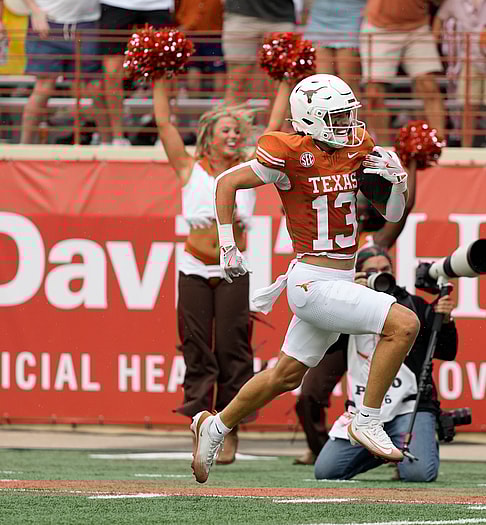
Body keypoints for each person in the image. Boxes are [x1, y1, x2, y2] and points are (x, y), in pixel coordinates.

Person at [190, 73, 421, 484]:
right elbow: (227, 183)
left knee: (285, 376)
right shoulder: (286, 151)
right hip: (311, 282)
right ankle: (366, 418)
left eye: (349, 115)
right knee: (404, 323)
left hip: (338, 281)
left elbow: (392, 214)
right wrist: (228, 244)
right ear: (309, 119)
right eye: (337, 116)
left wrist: (396, 180)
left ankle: (216, 426)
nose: (348, 124)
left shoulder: (358, 147)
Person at [153, 76, 291, 465]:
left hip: (233, 268)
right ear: (209, 136)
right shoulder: (188, 168)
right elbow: (164, 124)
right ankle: (200, 419)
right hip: (194, 266)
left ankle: (229, 427)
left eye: (237, 130)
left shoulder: (249, 169)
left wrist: (283, 82)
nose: (233, 135)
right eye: (225, 130)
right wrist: (158, 76)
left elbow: (274, 129)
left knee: (233, 347)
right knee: (197, 346)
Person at [292, 169, 418, 467]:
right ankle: (320, 448)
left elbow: (404, 209)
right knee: (309, 392)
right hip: (338, 324)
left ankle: (383, 438)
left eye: (360, 201)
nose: (357, 206)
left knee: (385, 387)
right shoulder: (323, 230)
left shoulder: (374, 238)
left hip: (366, 320)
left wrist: (411, 163)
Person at [313, 245, 458, 481]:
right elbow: (325, 346)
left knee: (419, 474)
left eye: (385, 269)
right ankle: (384, 451)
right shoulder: (347, 306)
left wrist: (447, 321)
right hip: (362, 409)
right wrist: (346, 297)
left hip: (409, 408)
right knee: (327, 471)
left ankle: (405, 445)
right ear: (358, 274)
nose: (380, 274)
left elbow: (446, 351)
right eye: (371, 271)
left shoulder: (412, 305)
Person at [19, 0, 109, 144]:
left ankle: (109, 145)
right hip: (47, 23)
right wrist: (35, 10)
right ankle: (24, 147)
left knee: (96, 87)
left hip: (87, 23)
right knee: (43, 87)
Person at [434, 0, 486, 147]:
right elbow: (439, 20)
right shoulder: (452, 3)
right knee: (468, 108)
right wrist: (437, 47)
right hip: (470, 59)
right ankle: (466, 151)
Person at [360, 0, 446, 144]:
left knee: (429, 86)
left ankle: (439, 144)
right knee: (374, 93)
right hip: (379, 26)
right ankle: (382, 150)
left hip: (417, 28)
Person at [99, 0, 173, 146]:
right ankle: (117, 137)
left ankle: (164, 136)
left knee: (162, 70)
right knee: (112, 71)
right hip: (116, 4)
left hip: (158, 5)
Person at [222, 0, 296, 106]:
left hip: (280, 17)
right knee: (237, 81)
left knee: (280, 85)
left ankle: (277, 123)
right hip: (240, 15)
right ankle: (233, 121)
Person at [303, 0, 366, 100]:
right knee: (323, 84)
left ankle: (353, 114)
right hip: (319, 21)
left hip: (352, 19)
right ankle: (326, 114)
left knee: (348, 85)